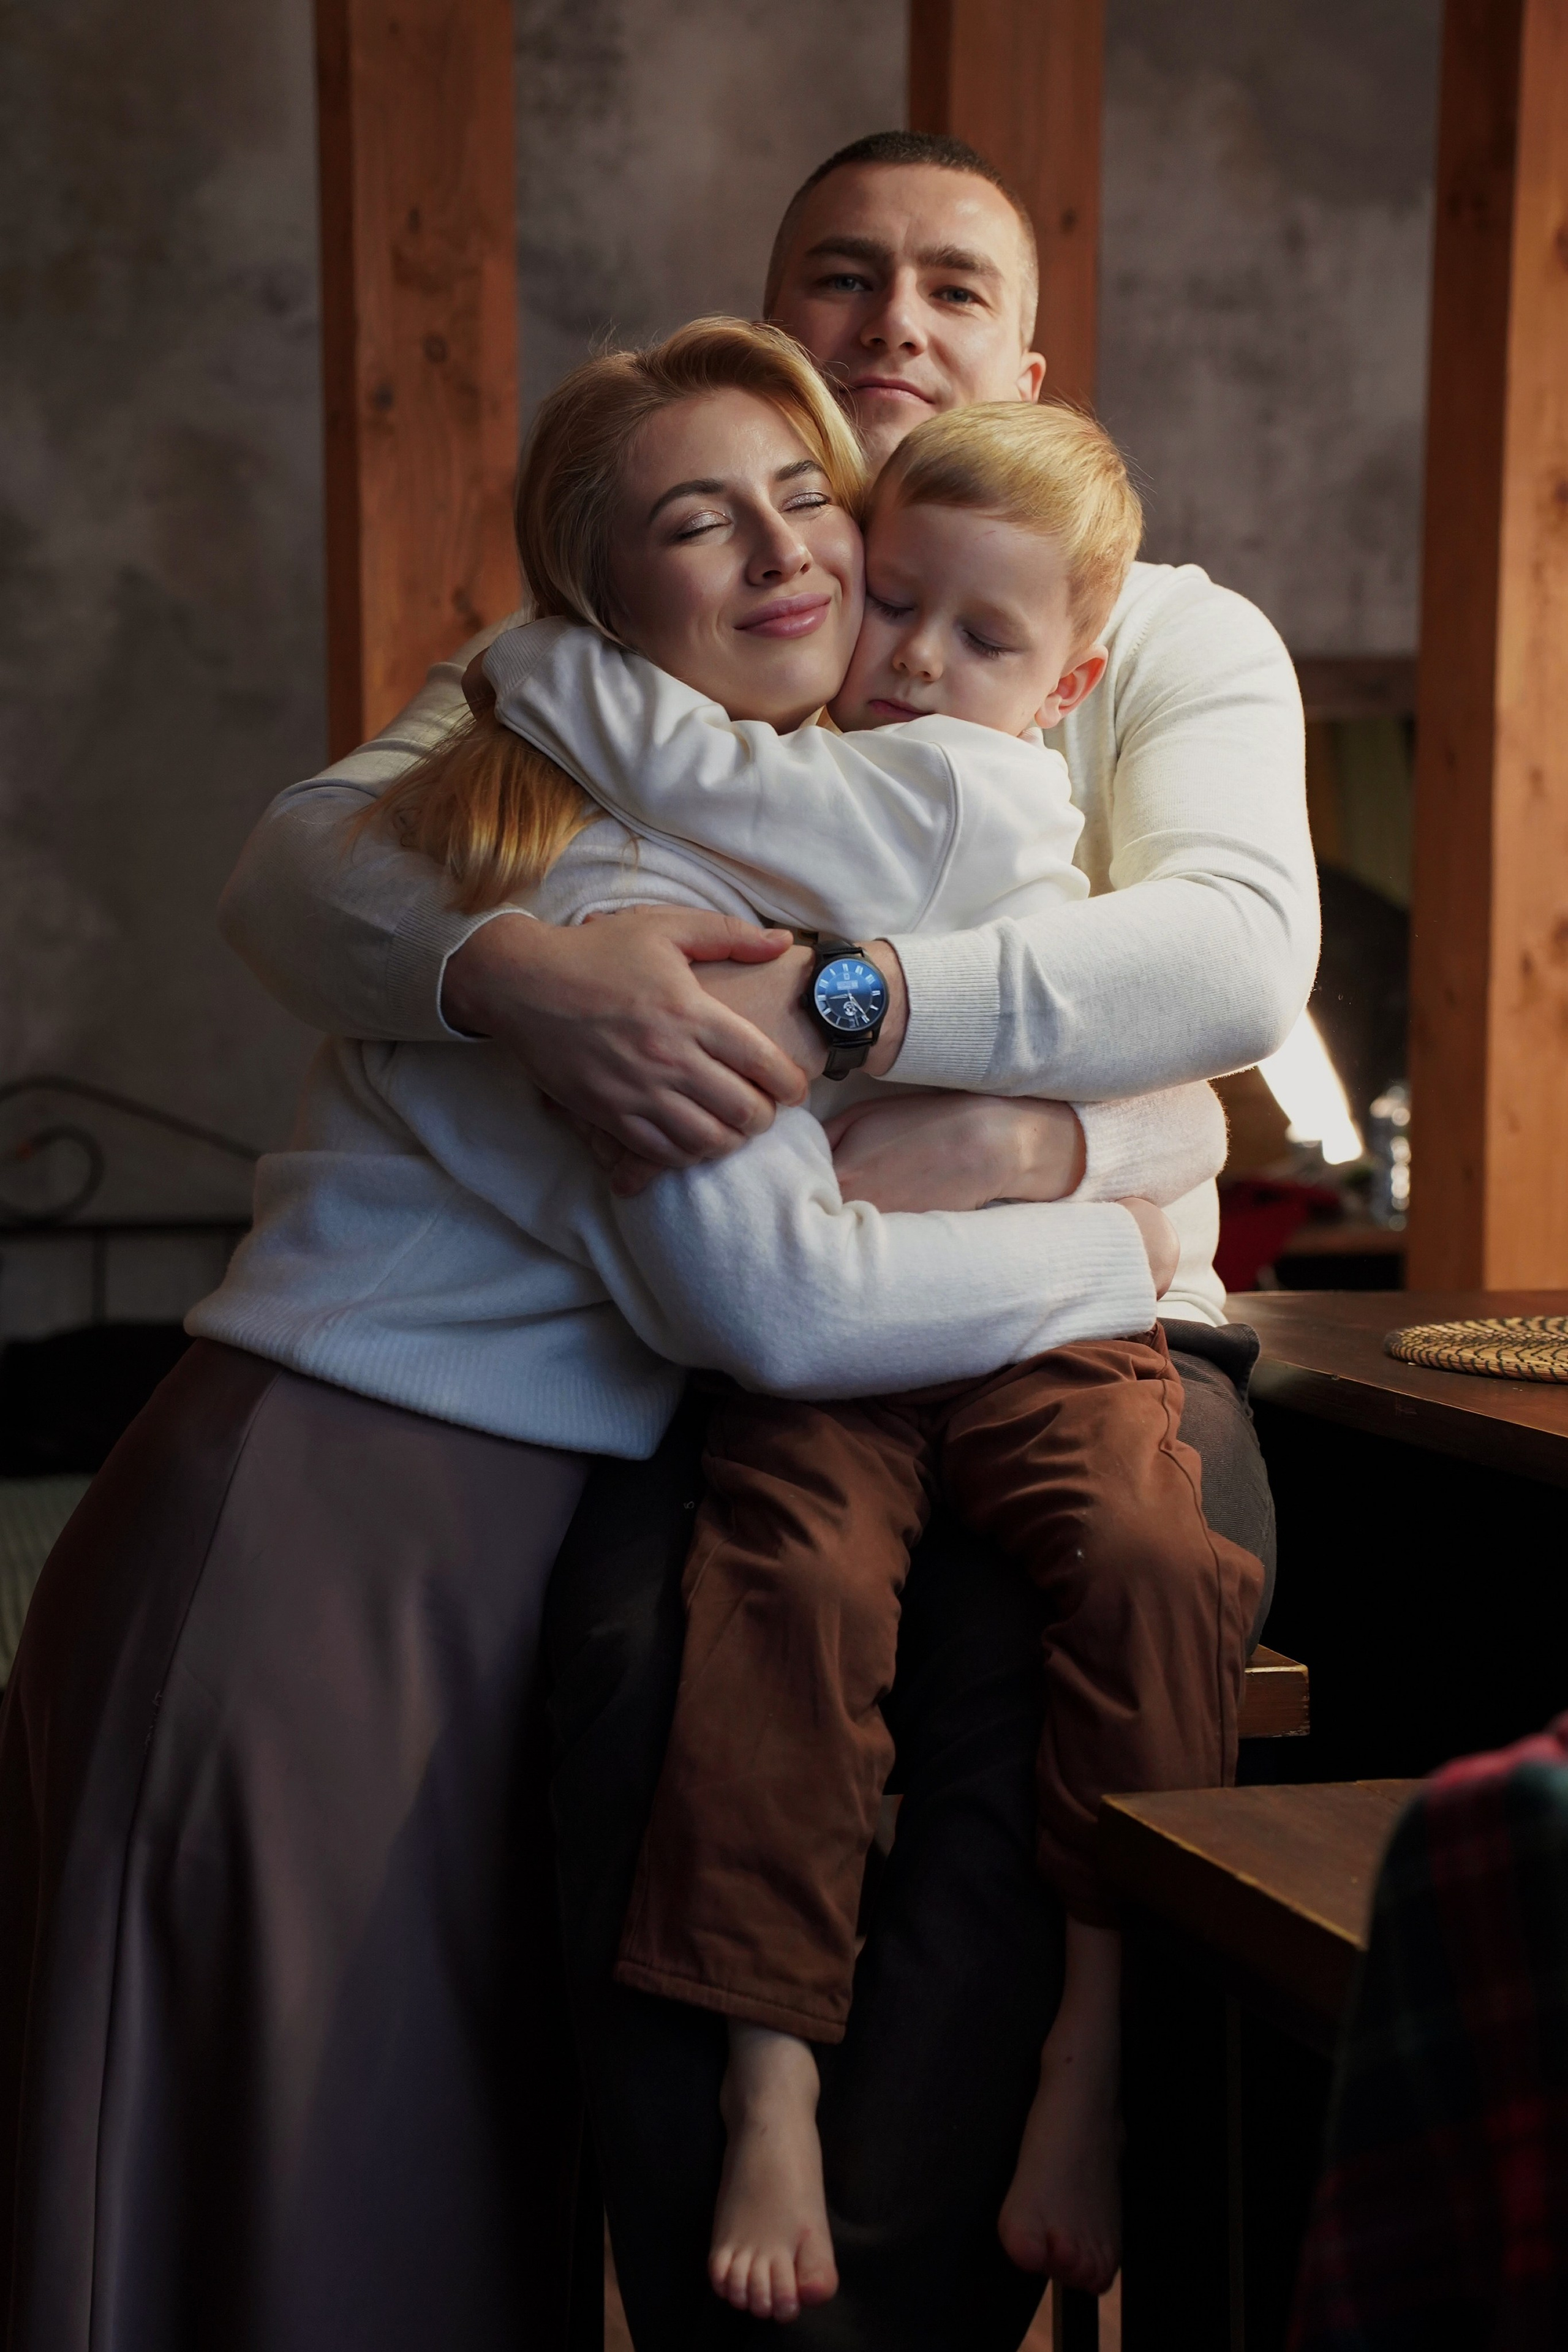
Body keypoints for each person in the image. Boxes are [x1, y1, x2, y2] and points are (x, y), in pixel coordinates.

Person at [216, 131, 1316, 2350]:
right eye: (844, 275)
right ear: (780, 332)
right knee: (662, 1657)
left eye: (951, 284)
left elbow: (1231, 961)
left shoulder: (1168, 626)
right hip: (785, 1340)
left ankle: (984, 2221)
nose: (895, 321)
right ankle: (753, 2267)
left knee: (1075, 1640)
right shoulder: (683, 619)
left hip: (1096, 1323)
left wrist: (920, 1054)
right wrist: (514, 973)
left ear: (1028, 347)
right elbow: (311, 863)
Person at [0, 315, 1197, 2352]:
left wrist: (1091, 1128)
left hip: (463, 1555)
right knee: (279, 2211)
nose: (781, 552)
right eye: (693, 522)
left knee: (421, 2189)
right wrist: (1128, 1229)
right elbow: (790, 1304)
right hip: (322, 1542)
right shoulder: (626, 874)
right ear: (600, 594)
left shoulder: (780, 829)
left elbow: (1162, 1009)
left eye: (804, 494)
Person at [469, 388, 1265, 2320]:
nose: (911, 660)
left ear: (1067, 681)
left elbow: (1204, 1058)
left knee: (1161, 1569)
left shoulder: (984, 790)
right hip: (838, 1346)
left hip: (1034, 1327)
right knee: (782, 1594)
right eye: (892, 602)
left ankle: (1097, 2026)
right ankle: (766, 2064)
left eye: (980, 639)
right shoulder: (795, 748)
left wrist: (531, 659)